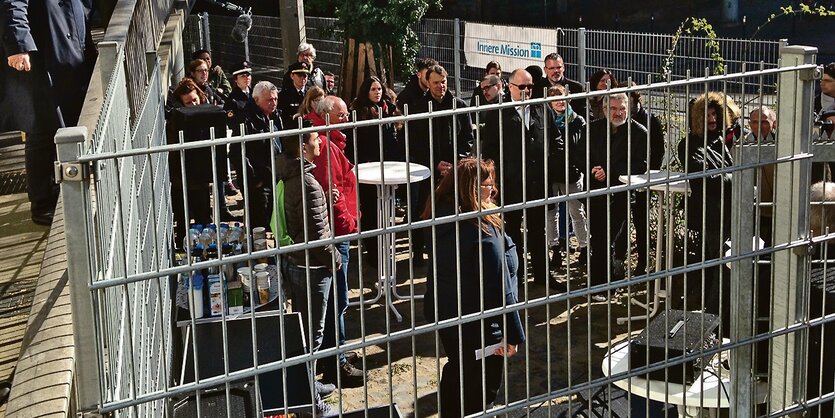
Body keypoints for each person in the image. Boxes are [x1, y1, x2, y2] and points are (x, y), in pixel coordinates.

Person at [421, 157, 525, 418]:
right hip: (481, 322)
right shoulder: (483, 234)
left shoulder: (440, 217)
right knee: (480, 391)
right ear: (469, 190)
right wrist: (513, 335)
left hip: (447, 313)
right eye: (487, 185)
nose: (493, 191)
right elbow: (499, 290)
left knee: (458, 370)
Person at [0, 0, 95, 226]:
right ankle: (43, 203)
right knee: (42, 127)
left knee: (63, 124)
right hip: (45, 49)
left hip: (68, 42)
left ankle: (60, 195)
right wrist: (19, 46)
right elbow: (13, 3)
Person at [276, 122, 340, 416]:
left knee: (305, 331)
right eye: (315, 139)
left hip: (297, 263)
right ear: (302, 147)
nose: (320, 144)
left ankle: (309, 386)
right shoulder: (307, 182)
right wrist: (335, 260)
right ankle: (309, 404)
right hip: (313, 267)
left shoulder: (291, 175)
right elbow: (318, 238)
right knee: (311, 337)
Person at [481, 68, 562, 290]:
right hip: (511, 184)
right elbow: (488, 152)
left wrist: (553, 168)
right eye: (522, 87)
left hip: (538, 183)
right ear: (510, 87)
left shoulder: (541, 108)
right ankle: (515, 276)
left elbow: (555, 139)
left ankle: (543, 275)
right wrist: (494, 182)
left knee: (538, 231)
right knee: (511, 231)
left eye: (530, 87)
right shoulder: (498, 113)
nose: (527, 91)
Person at [306, 95, 365, 388]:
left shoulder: (328, 142)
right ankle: (335, 363)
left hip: (338, 231)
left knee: (337, 299)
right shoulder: (325, 148)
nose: (347, 120)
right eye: (342, 116)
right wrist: (350, 224)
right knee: (337, 300)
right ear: (327, 117)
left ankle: (337, 350)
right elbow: (332, 196)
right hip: (337, 234)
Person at [578, 92, 647, 298]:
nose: (619, 113)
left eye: (622, 109)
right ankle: (602, 283)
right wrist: (593, 169)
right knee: (598, 237)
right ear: (605, 109)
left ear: (629, 108)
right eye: (614, 109)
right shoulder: (591, 129)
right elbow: (578, 155)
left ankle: (602, 285)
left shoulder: (639, 133)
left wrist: (611, 171)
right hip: (595, 192)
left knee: (606, 238)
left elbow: (642, 165)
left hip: (621, 194)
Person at [677, 92, 735, 315]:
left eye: (714, 114)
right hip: (711, 215)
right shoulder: (689, 144)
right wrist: (736, 177)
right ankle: (715, 313)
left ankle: (718, 311)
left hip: (727, 211)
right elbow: (704, 179)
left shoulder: (718, 139)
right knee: (720, 264)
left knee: (722, 263)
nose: (712, 118)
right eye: (707, 115)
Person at [410, 65, 473, 262]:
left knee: (454, 207)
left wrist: (456, 163)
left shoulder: (459, 105)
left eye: (443, 81)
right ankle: (418, 250)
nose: (441, 86)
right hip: (427, 169)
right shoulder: (418, 108)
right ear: (427, 83)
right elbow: (414, 142)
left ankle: (451, 247)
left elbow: (468, 138)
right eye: (436, 82)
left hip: (454, 168)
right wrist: (434, 163)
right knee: (423, 209)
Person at [349, 76, 401, 262]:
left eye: (379, 89)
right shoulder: (359, 111)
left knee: (386, 209)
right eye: (373, 89)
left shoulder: (388, 108)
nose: (377, 92)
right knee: (370, 211)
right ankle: (372, 252)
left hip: (387, 165)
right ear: (366, 91)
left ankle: (385, 249)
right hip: (367, 167)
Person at [545, 84, 588, 269]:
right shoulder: (545, 121)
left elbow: (583, 146)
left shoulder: (578, 121)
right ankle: (555, 248)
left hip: (572, 172)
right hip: (551, 172)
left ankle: (584, 247)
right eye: (554, 99)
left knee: (577, 211)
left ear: (568, 98)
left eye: (562, 97)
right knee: (551, 212)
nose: (559, 102)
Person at [229, 81, 283, 229]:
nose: (273, 103)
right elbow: (236, 153)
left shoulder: (276, 116)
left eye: (275, 99)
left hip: (276, 177)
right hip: (259, 182)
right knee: (259, 224)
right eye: (269, 100)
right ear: (256, 100)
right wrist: (254, 179)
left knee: (276, 220)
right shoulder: (245, 120)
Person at [624, 83, 665, 274]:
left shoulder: (650, 120)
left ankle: (643, 261)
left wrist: (649, 174)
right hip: (622, 177)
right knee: (621, 221)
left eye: (627, 98)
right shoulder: (618, 118)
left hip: (642, 179)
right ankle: (618, 259)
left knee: (641, 222)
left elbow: (658, 150)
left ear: (635, 98)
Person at [278, 61, 310, 128]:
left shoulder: (311, 93)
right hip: (292, 130)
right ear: (292, 76)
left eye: (305, 76)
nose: (303, 78)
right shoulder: (284, 95)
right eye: (299, 75)